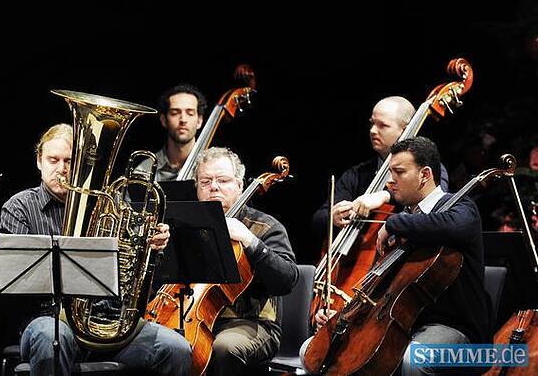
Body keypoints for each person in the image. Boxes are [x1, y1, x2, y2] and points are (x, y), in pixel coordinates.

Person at [0, 124, 192, 376]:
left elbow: (134, 273)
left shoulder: (108, 203)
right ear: (39, 161)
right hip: (50, 319)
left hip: (108, 322)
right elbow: (17, 282)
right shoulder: (20, 207)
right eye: (53, 160)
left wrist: (151, 247)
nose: (62, 169)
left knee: (175, 348)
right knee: (50, 339)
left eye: (69, 161)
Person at [307, 137, 489, 375]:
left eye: (399, 172)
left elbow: (456, 225)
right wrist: (345, 316)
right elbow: (380, 290)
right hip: (401, 325)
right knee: (311, 351)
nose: (390, 181)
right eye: (390, 171)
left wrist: (393, 222)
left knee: (414, 360)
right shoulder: (405, 220)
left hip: (456, 332)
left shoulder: (459, 207)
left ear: (424, 175)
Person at [191, 147, 299, 375]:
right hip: (195, 319)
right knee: (162, 344)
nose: (214, 187)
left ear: (240, 186)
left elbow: (287, 280)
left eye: (223, 180)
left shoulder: (266, 227)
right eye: (205, 181)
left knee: (224, 347)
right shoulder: (188, 225)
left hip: (251, 323)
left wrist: (250, 241)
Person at [311, 96, 449, 238]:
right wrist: (333, 217)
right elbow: (317, 219)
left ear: (406, 130)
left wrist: (386, 195)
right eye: (372, 124)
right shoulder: (357, 174)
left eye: (382, 125)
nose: (372, 130)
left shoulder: (428, 169)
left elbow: (435, 202)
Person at [135, 84, 208, 181]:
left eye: (190, 113)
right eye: (175, 113)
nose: (183, 119)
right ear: (164, 120)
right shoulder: (144, 171)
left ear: (199, 121)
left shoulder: (214, 166)